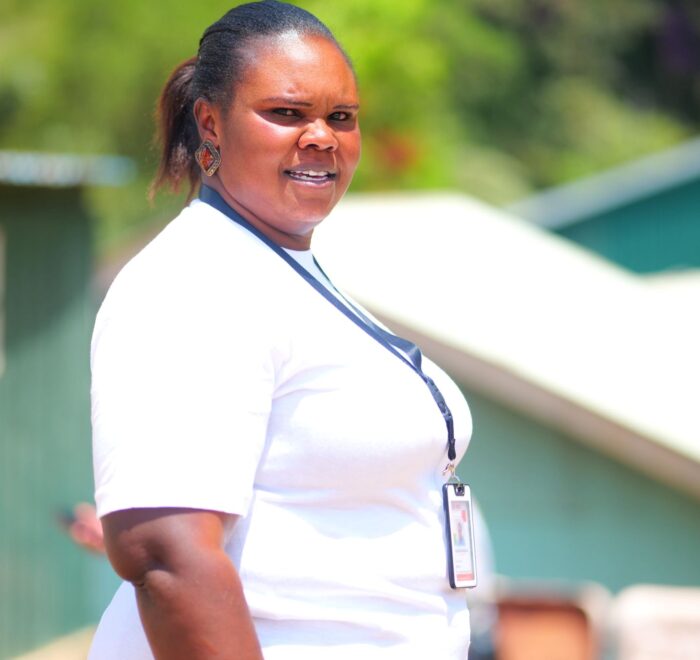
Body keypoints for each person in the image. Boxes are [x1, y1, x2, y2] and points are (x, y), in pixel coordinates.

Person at [89, 2, 473, 658]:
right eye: (287, 113)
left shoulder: (283, 269)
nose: (322, 137)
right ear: (210, 123)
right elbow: (167, 552)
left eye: (341, 117)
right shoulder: (196, 281)